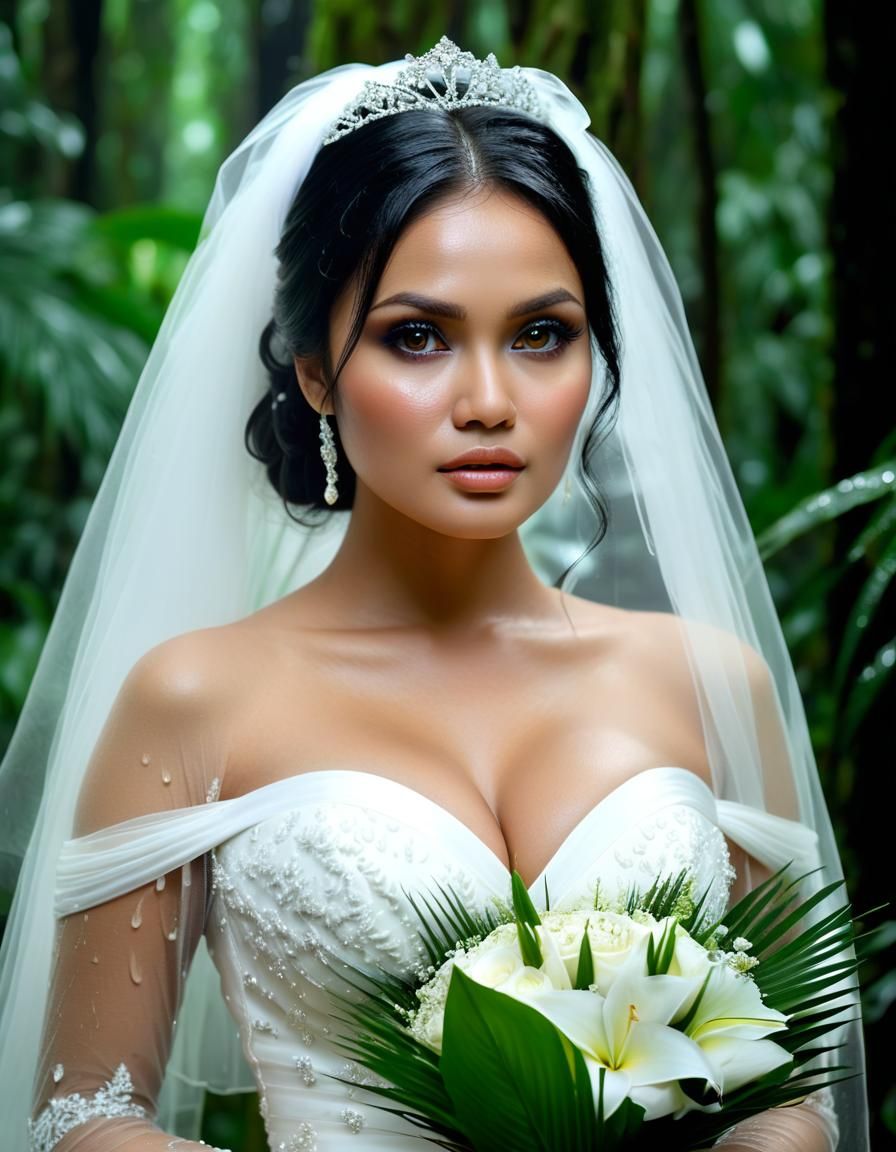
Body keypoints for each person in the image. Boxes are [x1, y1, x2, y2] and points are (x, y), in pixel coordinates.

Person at [0, 37, 867, 1152]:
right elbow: (82, 1112)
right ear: (315, 370)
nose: (489, 399)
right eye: (417, 337)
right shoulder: (192, 699)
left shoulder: (708, 684)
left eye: (542, 335)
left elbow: (797, 1084)